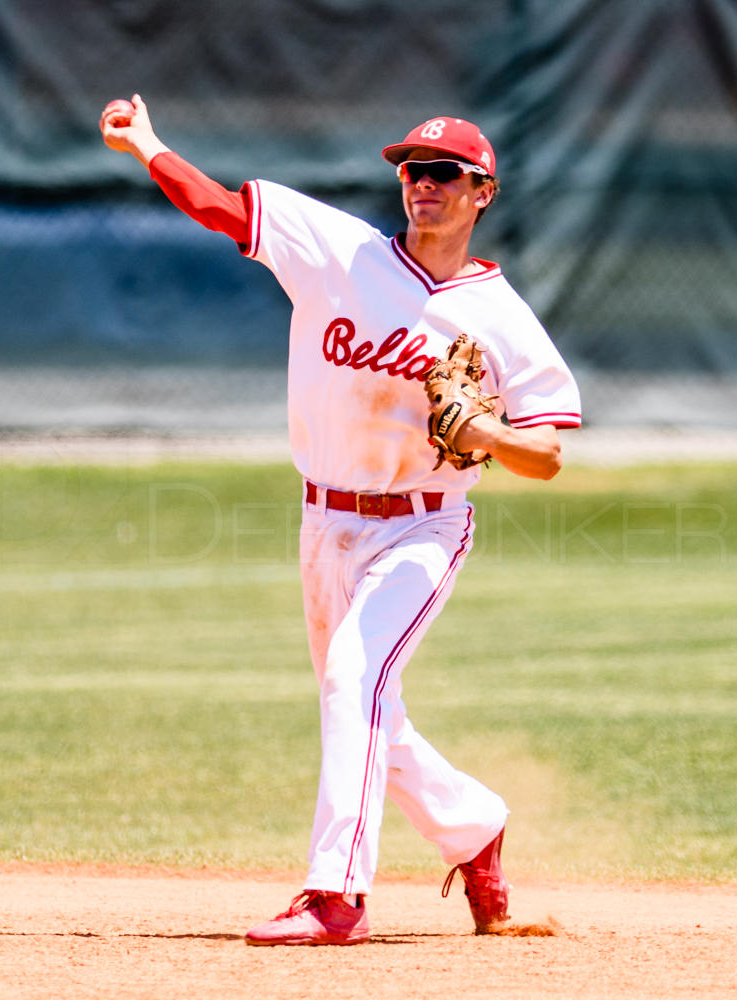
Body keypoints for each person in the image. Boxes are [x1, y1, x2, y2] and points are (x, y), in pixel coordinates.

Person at [101, 97, 581, 946]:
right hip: (324, 522)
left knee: (354, 675)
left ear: (483, 193)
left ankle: (338, 897)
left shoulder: (501, 317)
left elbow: (547, 455)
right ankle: (475, 828)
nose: (423, 185)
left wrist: (489, 433)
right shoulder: (340, 252)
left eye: (444, 174)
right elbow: (222, 209)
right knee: (364, 708)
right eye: (412, 171)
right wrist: (148, 145)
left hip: (423, 529)